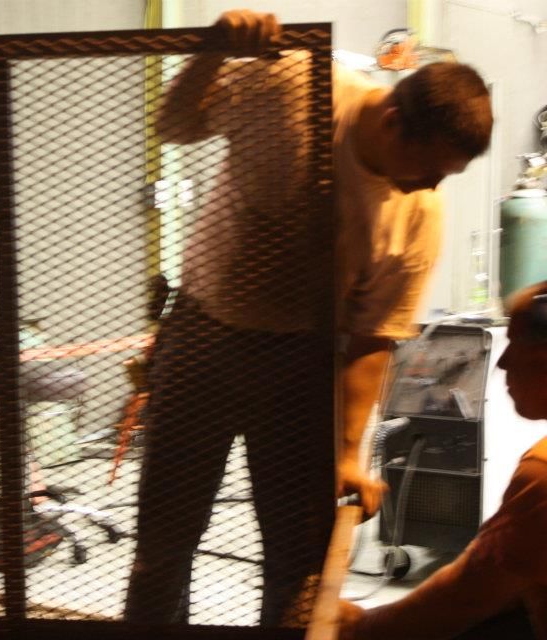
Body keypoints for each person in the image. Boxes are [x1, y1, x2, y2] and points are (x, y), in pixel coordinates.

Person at [124, 9, 494, 627]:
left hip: (301, 363)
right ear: (393, 120)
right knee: (163, 545)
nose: (432, 185)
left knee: (299, 562)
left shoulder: (420, 216)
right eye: (429, 167)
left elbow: (373, 338)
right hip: (204, 331)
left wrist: (349, 453)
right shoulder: (294, 86)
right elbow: (174, 123)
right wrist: (214, 48)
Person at [338, 282, 547, 639]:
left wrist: (360, 626)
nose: (502, 361)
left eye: (516, 343)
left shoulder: (542, 475)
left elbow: (463, 597)